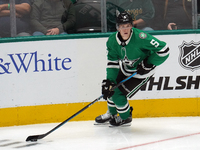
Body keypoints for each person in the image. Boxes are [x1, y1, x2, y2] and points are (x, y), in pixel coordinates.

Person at [95, 11, 169, 126]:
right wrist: (110, 81)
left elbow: (164, 50)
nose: (125, 29)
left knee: (118, 94)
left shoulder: (141, 37)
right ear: (118, 27)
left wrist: (148, 64)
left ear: (131, 26)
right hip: (125, 69)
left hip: (140, 74)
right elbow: (112, 63)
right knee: (111, 89)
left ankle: (125, 117)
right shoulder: (112, 41)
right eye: (122, 26)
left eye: (128, 26)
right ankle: (112, 113)